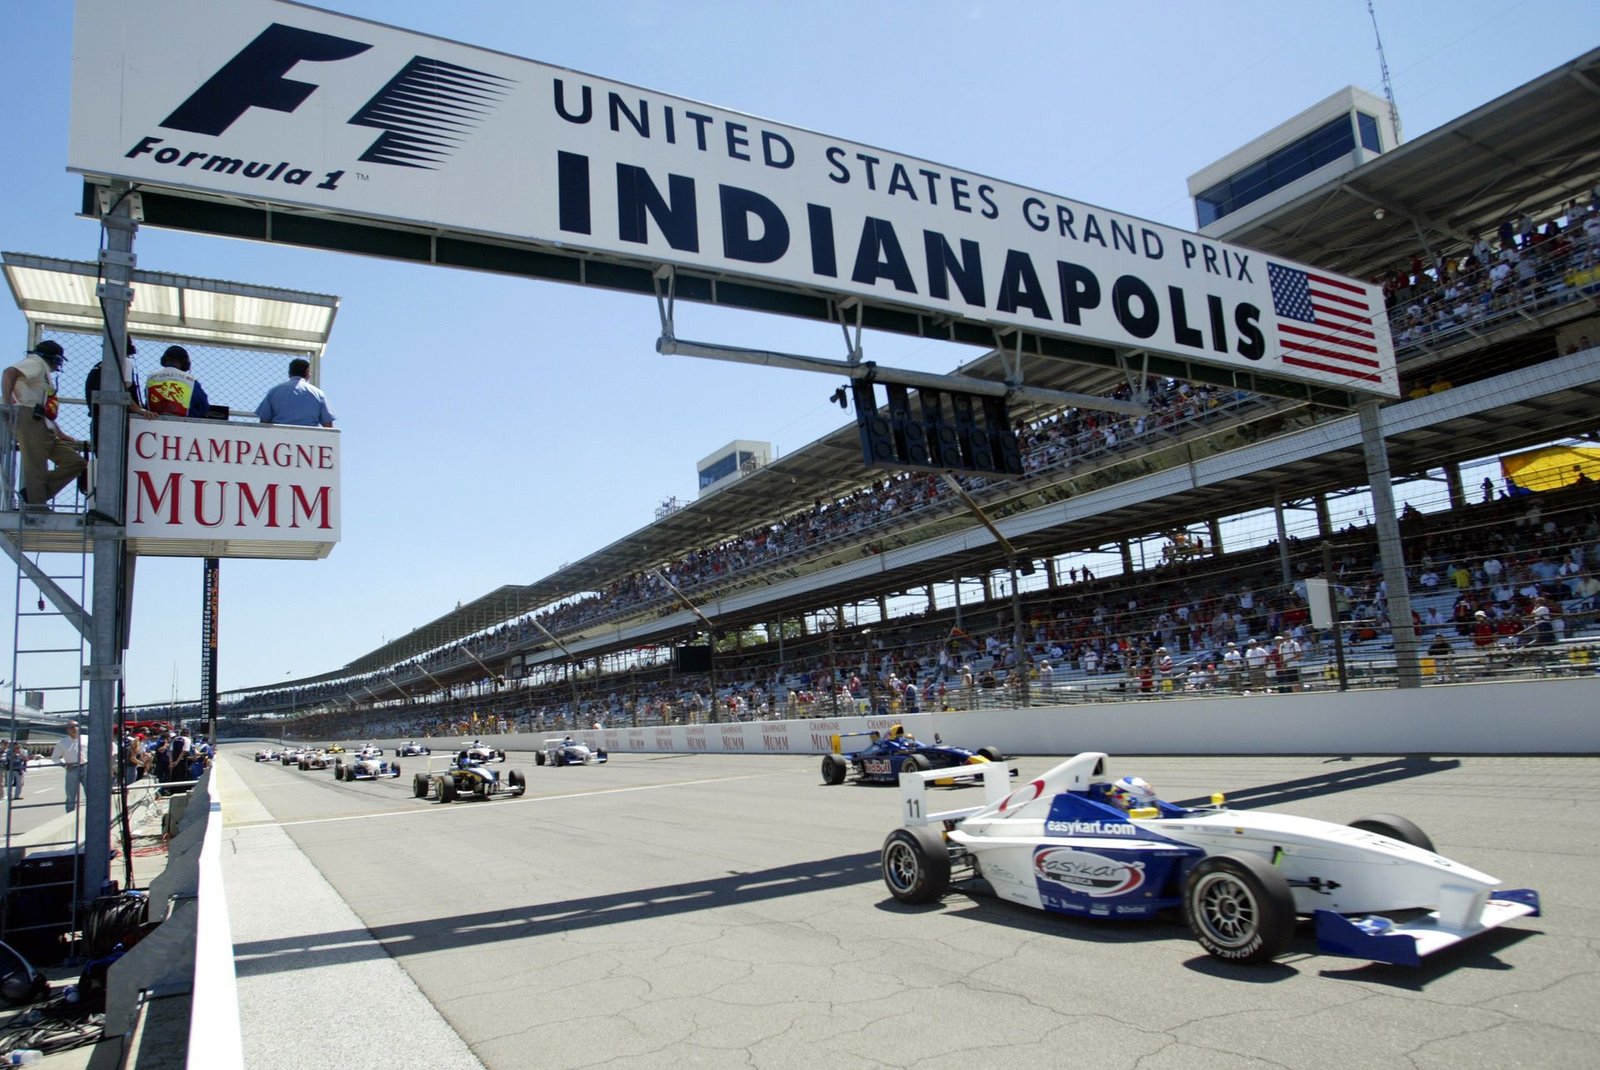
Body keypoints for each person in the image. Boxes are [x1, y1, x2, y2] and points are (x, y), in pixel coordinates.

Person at [4, 340, 87, 509]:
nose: (58, 365)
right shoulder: (36, 363)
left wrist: (59, 433)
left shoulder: (42, 370)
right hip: (28, 415)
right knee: (36, 467)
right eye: (58, 360)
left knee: (76, 462)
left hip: (41, 420)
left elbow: (43, 407)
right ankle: (37, 507)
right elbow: (9, 372)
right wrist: (7, 404)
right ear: (51, 357)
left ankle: (33, 495)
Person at [255, 358, 335, 427]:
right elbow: (328, 424)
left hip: (279, 435)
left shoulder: (274, 392)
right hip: (309, 436)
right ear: (308, 374)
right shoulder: (318, 394)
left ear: (289, 373)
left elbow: (264, 421)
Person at [144, 344, 210, 418]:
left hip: (154, 420)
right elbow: (203, 406)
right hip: (182, 422)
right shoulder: (191, 380)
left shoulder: (151, 378)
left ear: (164, 360)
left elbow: (147, 403)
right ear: (185, 363)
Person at [57, 721, 88, 813]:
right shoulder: (62, 742)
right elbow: (55, 758)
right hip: (72, 769)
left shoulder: (87, 739)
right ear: (67, 730)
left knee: (91, 793)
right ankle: (70, 814)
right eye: (71, 727)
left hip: (86, 767)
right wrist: (64, 765)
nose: (74, 728)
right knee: (71, 795)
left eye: (76, 726)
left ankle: (92, 814)